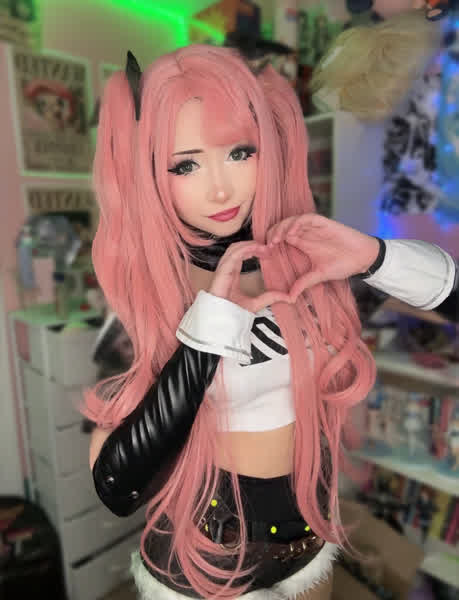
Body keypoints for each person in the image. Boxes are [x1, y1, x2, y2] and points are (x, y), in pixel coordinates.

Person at [84, 45, 457, 600]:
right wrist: (208, 330)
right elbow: (117, 484)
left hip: (308, 538)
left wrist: (372, 255)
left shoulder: (310, 271)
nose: (220, 188)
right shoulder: (147, 302)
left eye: (240, 152)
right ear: (150, 174)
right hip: (206, 555)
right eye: (186, 164)